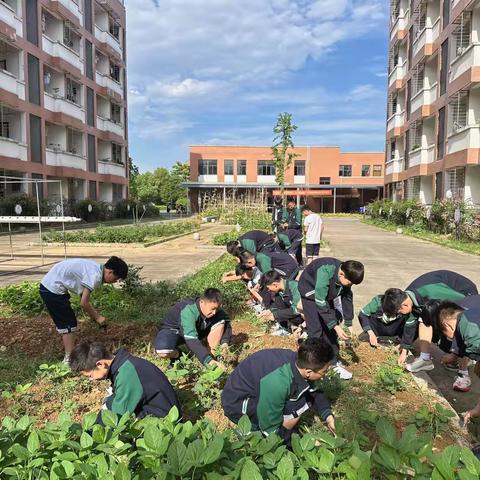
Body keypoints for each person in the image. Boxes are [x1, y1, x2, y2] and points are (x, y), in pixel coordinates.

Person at [221, 338, 335, 445]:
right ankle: (252, 431)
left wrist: (328, 416)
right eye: (324, 372)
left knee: (300, 398)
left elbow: (313, 391)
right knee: (294, 409)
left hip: (261, 391)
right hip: (238, 402)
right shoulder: (278, 382)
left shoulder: (299, 361)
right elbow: (270, 428)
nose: (324, 376)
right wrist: (296, 442)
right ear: (309, 372)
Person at [382, 270, 478, 372]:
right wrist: (404, 348)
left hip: (465, 293)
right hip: (444, 295)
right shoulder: (408, 297)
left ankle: (463, 362)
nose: (400, 315)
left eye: (399, 312)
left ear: (404, 305)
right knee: (425, 319)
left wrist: (456, 352)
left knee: (451, 330)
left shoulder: (433, 293)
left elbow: (462, 306)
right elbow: (410, 322)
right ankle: (425, 359)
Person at [39, 256, 129, 363]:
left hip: (51, 286)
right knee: (68, 323)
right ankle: (68, 359)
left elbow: (83, 295)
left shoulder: (95, 268)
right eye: (115, 279)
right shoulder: (94, 276)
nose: (114, 282)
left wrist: (92, 314)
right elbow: (84, 303)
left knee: (69, 321)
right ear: (109, 272)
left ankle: (69, 354)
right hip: (52, 289)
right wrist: (98, 317)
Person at [69, 341, 180, 420]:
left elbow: (117, 415)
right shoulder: (122, 365)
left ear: (101, 364)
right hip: (155, 409)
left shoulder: (127, 374)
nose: (91, 379)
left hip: (164, 420)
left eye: (90, 375)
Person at [298, 257, 365, 379]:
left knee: (330, 330)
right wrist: (336, 326)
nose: (350, 285)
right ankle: (315, 365)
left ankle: (332, 363)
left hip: (324, 293)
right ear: (341, 274)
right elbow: (320, 302)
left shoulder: (346, 274)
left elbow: (347, 297)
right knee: (316, 330)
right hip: (311, 291)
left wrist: (349, 323)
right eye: (350, 282)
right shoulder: (325, 271)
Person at [430, 296, 480, 423]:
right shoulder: (467, 317)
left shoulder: (469, 329)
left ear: (447, 325)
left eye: (444, 334)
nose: (449, 339)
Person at [154, 288, 230, 368]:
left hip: (196, 330)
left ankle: (213, 354)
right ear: (202, 302)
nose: (214, 312)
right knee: (163, 350)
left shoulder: (215, 310)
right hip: (174, 331)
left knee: (221, 322)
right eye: (212, 309)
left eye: (217, 309)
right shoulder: (188, 310)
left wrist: (225, 343)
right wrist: (208, 361)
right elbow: (191, 339)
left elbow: (226, 323)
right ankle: (178, 356)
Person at [259, 270, 303, 335]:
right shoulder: (280, 290)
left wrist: (275, 315)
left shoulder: (295, 287)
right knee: (278, 300)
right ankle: (287, 327)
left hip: (305, 318)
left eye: (268, 288)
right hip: (294, 318)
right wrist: (270, 310)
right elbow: (278, 305)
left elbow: (297, 310)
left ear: (275, 284)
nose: (268, 290)